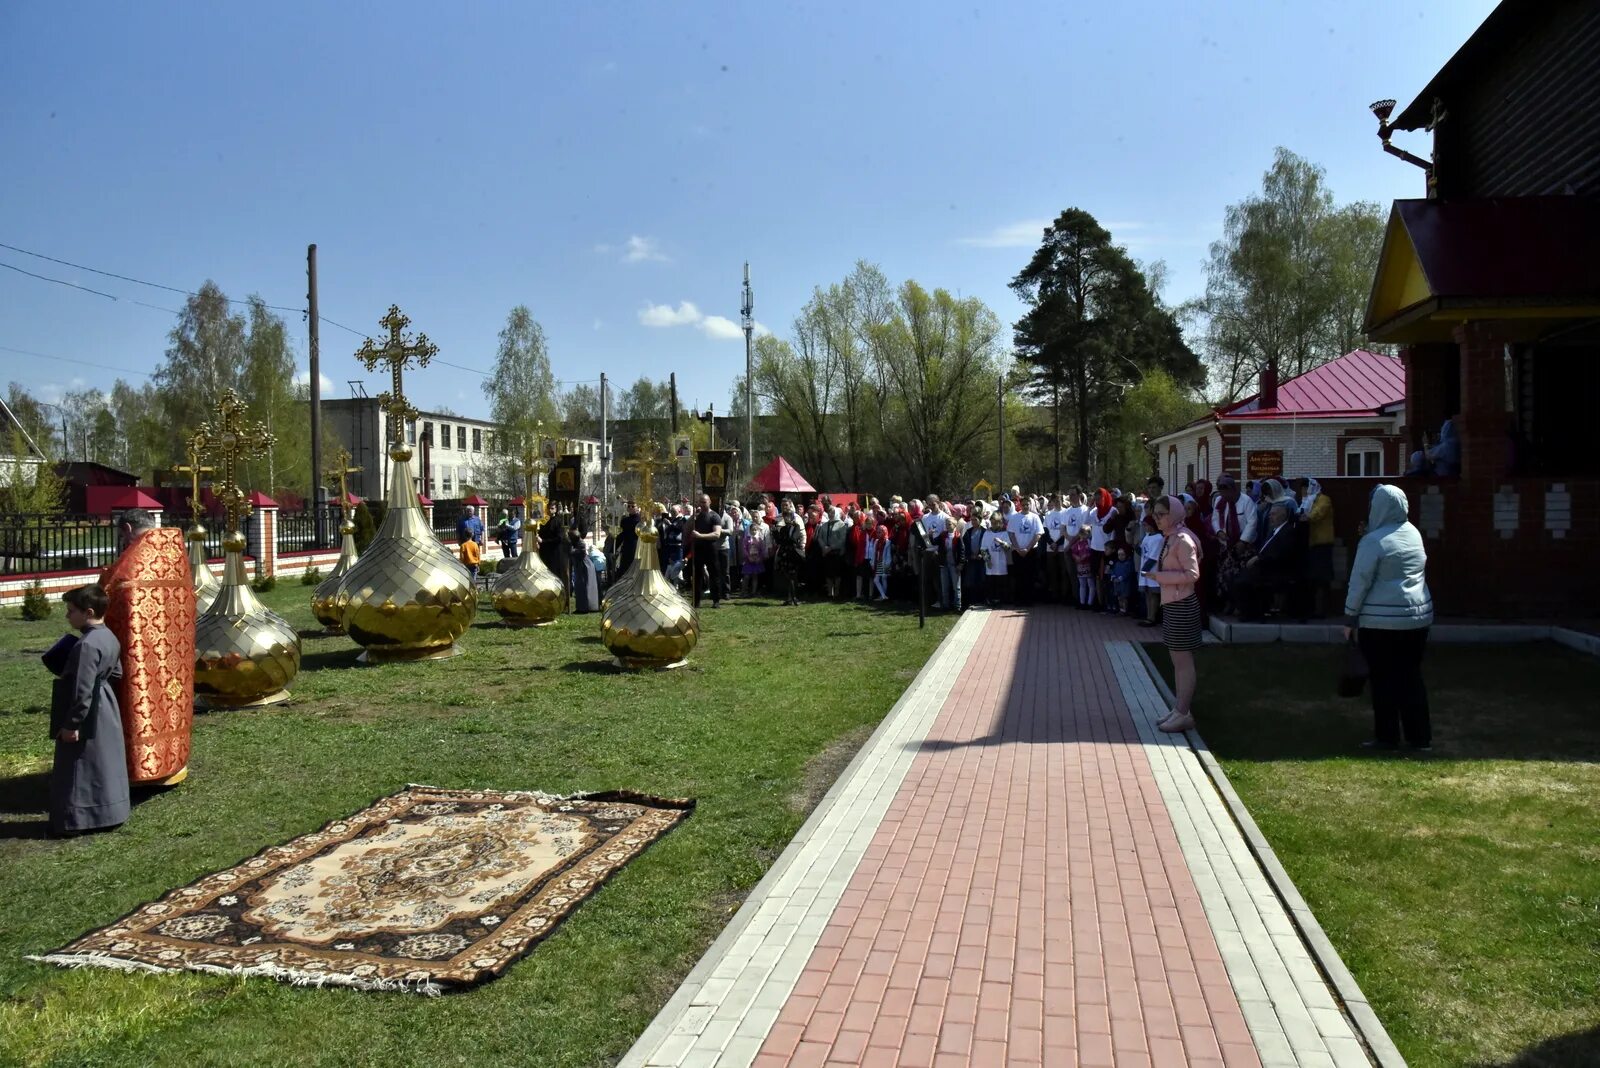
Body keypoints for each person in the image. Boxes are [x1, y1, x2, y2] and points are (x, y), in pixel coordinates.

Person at [98, 508, 194, 786]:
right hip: (175, 650)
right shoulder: (173, 551)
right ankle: (172, 759)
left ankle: (140, 769)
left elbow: (112, 595)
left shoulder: (134, 559)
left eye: (121, 535)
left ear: (127, 528)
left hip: (138, 652)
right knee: (170, 699)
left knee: (141, 702)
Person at [1345, 484, 1434, 752]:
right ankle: (1420, 738)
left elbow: (1360, 581)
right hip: (1417, 618)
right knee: (1411, 677)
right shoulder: (1413, 534)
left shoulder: (1372, 541)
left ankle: (1387, 737)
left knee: (1383, 680)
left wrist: (1350, 616)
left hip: (1380, 621)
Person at [47, 584, 130, 836]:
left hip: (88, 710)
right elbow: (117, 673)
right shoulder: (109, 636)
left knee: (79, 764)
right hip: (106, 706)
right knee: (104, 761)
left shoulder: (86, 645)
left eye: (71, 611)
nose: (67, 616)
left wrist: (72, 724)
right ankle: (111, 811)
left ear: (88, 611)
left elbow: (82, 692)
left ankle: (77, 819)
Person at [1147, 495, 1203, 734]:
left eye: (1162, 514)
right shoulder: (1170, 537)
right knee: (1176, 661)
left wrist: (1160, 577)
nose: (1157, 518)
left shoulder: (1182, 540)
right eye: (1155, 514)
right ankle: (1180, 709)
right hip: (1172, 603)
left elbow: (1192, 574)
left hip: (1182, 604)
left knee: (1182, 662)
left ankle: (1183, 712)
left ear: (1176, 514)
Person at [1294, 477, 1335, 617]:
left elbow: (1317, 514)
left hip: (1322, 544)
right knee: (1313, 579)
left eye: (1305, 488)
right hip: (1311, 545)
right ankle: (1313, 609)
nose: (1303, 492)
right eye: (1302, 489)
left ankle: (1323, 610)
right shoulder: (1306, 501)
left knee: (1322, 579)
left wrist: (1306, 517)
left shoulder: (1323, 499)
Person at [1005, 495, 1043, 606]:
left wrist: (1027, 548)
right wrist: (1017, 548)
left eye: (1027, 504)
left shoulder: (1035, 517)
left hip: (1031, 551)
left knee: (1030, 575)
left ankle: (1029, 599)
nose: (1026, 506)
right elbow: (1011, 534)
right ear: (1020, 505)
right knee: (1019, 576)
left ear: (1030, 505)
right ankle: (1019, 599)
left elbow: (1038, 534)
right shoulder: (1014, 517)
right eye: (1024, 504)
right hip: (1017, 551)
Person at [690, 495, 726, 609]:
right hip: (698, 548)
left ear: (709, 502)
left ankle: (716, 600)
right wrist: (693, 517)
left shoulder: (714, 516)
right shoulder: (697, 516)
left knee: (714, 574)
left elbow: (717, 534)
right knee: (697, 575)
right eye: (700, 502)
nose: (702, 504)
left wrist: (700, 536)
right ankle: (696, 601)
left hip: (711, 548)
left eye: (704, 502)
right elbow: (686, 529)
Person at [772, 497, 807, 606]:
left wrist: (803, 546)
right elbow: (779, 539)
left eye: (786, 505)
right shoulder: (780, 522)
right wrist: (775, 533)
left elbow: (799, 535)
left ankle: (794, 597)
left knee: (793, 575)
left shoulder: (796, 520)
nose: (784, 507)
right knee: (787, 576)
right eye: (782, 505)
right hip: (783, 551)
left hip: (793, 551)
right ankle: (789, 597)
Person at [980, 513, 1012, 607]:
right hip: (991, 564)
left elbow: (1008, 547)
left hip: (1001, 563)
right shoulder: (987, 533)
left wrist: (1001, 542)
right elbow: (983, 548)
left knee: (1001, 584)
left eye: (995, 523)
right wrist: (987, 559)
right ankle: (991, 600)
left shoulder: (1004, 533)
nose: (993, 525)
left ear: (1000, 523)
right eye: (992, 523)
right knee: (991, 583)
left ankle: (1001, 601)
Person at [1138, 515, 1164, 627]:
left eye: (1146, 525)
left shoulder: (1159, 538)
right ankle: (1148, 616)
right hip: (1145, 567)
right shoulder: (1147, 536)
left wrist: (1144, 570)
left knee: (1153, 594)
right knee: (1147, 593)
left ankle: (1152, 617)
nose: (1145, 527)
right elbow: (1143, 551)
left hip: (1152, 569)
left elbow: (1154, 556)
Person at [961, 505, 988, 609]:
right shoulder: (968, 532)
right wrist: (970, 555)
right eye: (971, 520)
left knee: (982, 580)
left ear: (980, 520)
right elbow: (965, 546)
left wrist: (982, 554)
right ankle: (972, 601)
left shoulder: (985, 532)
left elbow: (987, 545)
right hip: (971, 560)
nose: (973, 522)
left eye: (975, 520)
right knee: (971, 581)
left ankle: (982, 600)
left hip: (981, 560)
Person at [740, 512, 769, 598]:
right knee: (746, 576)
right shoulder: (746, 539)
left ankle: (753, 592)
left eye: (755, 530)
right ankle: (743, 592)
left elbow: (762, 550)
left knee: (755, 576)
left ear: (757, 531)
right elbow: (744, 548)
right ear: (750, 530)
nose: (754, 531)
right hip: (749, 560)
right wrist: (748, 557)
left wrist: (759, 558)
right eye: (752, 530)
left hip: (757, 560)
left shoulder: (760, 540)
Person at [615, 500, 641, 580]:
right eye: (628, 506)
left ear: (637, 508)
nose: (630, 508)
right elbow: (621, 535)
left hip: (637, 547)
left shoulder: (640, 521)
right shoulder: (624, 520)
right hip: (626, 547)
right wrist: (615, 547)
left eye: (633, 506)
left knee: (635, 569)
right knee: (624, 569)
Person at [868, 519, 892, 601]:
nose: (878, 534)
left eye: (880, 532)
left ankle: (883, 596)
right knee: (877, 579)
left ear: (884, 532)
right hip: (878, 562)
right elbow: (874, 552)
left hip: (884, 562)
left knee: (882, 578)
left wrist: (887, 564)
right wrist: (872, 562)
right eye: (877, 532)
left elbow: (888, 554)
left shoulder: (887, 542)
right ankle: (883, 596)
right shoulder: (876, 541)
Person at [1070, 528, 1094, 608]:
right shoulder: (1078, 543)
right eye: (1081, 534)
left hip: (1089, 565)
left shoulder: (1090, 542)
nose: (1083, 536)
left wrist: (1086, 556)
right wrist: (1077, 557)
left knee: (1091, 584)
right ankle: (1082, 602)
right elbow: (1073, 551)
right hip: (1080, 566)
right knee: (1082, 584)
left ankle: (1090, 603)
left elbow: (1091, 552)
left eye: (1085, 534)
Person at [1109, 546, 1135, 616]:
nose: (1120, 556)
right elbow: (1112, 571)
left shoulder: (1128, 563)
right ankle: (1121, 610)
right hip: (1117, 584)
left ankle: (1125, 610)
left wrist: (1120, 578)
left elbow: (1128, 573)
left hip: (1124, 584)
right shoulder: (1116, 563)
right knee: (1119, 597)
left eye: (1122, 555)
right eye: (1119, 555)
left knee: (1124, 597)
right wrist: (1113, 577)